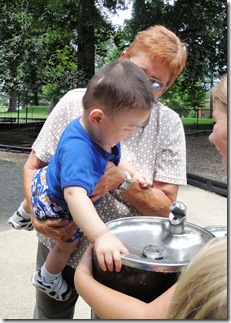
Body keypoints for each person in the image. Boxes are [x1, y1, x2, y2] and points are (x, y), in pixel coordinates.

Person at [8, 25, 188, 319]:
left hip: (121, 258)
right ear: (123, 58)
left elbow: (166, 208)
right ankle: (28, 221)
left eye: (157, 83)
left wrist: (124, 179)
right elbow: (34, 167)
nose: (144, 85)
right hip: (60, 241)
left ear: (167, 87)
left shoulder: (167, 125)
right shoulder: (76, 102)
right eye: (140, 71)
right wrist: (41, 218)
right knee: (50, 315)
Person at [74, 74, 228, 319]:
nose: (210, 135)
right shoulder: (81, 115)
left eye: (215, 121)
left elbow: (149, 316)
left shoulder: (168, 122)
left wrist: (82, 276)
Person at [30, 60, 154, 301]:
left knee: (52, 176)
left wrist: (132, 174)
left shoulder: (99, 131)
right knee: (67, 243)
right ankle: (47, 277)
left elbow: (114, 156)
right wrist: (101, 235)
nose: (131, 134)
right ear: (97, 117)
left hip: (47, 177)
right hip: (54, 202)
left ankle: (23, 212)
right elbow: (75, 196)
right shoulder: (80, 151)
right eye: (129, 128)